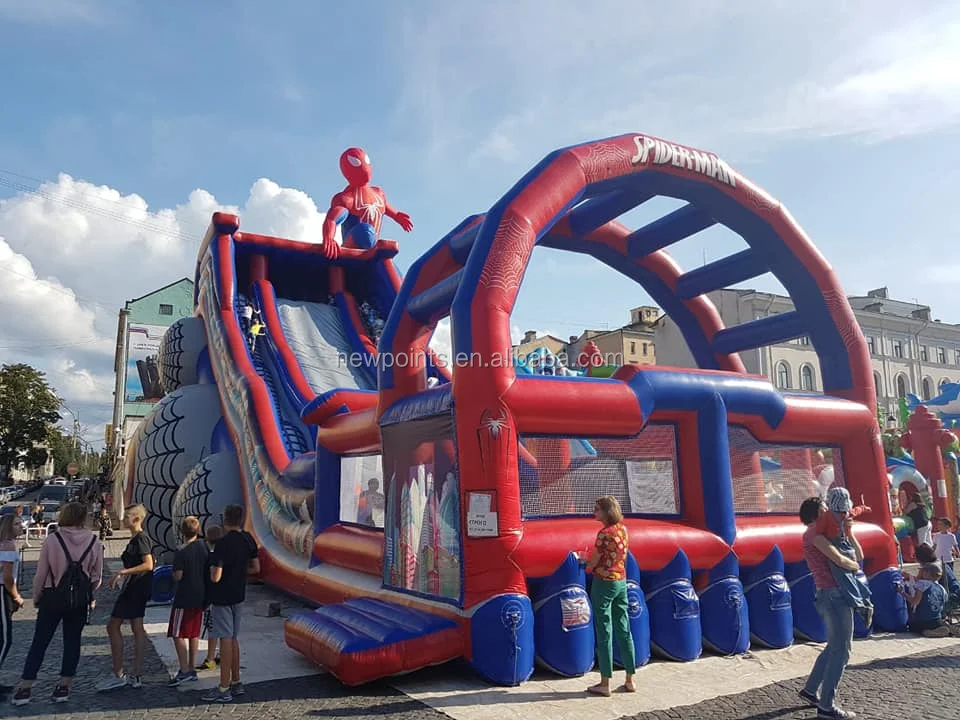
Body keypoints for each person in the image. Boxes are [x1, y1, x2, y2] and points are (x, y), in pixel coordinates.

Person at [10, 503, 103, 706]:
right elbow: (97, 576)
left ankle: (25, 687)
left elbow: (41, 573)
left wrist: (36, 597)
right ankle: (64, 687)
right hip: (79, 600)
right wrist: (89, 593)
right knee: (72, 642)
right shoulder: (94, 540)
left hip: (52, 596)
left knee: (40, 642)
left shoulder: (53, 540)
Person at [798, 497, 861, 720]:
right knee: (842, 650)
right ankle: (826, 705)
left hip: (828, 593)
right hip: (833, 594)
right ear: (817, 513)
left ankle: (810, 689)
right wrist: (855, 567)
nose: (830, 512)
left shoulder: (821, 532)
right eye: (825, 509)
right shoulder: (816, 534)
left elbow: (853, 552)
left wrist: (849, 533)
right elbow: (842, 559)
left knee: (834, 646)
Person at [203, 506, 260, 703]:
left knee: (225, 639)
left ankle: (223, 687)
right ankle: (236, 681)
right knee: (234, 638)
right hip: (239, 593)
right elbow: (256, 568)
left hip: (222, 596)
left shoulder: (222, 544)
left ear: (225, 520)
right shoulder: (248, 539)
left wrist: (212, 569)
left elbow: (216, 577)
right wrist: (239, 572)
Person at [580, 495, 636, 698]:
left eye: (597, 509)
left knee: (605, 630)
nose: (594, 512)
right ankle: (630, 679)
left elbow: (594, 561)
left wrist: (584, 562)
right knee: (624, 627)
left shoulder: (604, 533)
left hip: (604, 582)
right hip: (621, 581)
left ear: (606, 511)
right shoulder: (623, 529)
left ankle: (605, 682)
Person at [96, 504, 153, 691]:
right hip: (134, 587)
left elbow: (148, 564)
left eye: (128, 516)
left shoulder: (141, 539)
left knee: (114, 626)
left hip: (136, 589)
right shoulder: (135, 539)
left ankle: (121, 673)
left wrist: (122, 572)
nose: (124, 518)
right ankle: (134, 674)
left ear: (137, 518)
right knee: (135, 628)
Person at [814, 488, 874, 627]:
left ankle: (861, 606)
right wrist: (865, 508)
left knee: (843, 580)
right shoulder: (847, 513)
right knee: (852, 578)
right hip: (848, 547)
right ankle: (866, 599)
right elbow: (857, 510)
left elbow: (818, 533)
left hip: (838, 548)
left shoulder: (828, 516)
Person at [168, 516, 208, 686]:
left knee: (177, 633)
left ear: (182, 532)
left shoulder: (181, 551)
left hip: (184, 596)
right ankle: (192, 666)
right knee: (193, 633)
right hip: (200, 596)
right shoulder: (203, 547)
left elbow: (178, 576)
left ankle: (184, 669)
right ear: (198, 530)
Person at [0, 515, 25, 699]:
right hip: (2, 592)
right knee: (5, 639)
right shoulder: (8, 545)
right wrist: (16, 596)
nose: (21, 526)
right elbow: (7, 577)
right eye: (16, 524)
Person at [197, 525, 224, 671]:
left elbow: (212, 578)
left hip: (212, 598)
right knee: (224, 628)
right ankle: (221, 653)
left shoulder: (212, 556)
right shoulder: (226, 553)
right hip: (226, 596)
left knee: (212, 628)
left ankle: (211, 658)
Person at [903, 563, 950, 637]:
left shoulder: (922, 584)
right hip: (936, 619)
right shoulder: (941, 588)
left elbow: (915, 602)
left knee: (912, 626)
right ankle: (944, 628)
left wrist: (902, 593)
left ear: (927, 573)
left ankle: (925, 631)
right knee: (937, 623)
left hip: (922, 620)